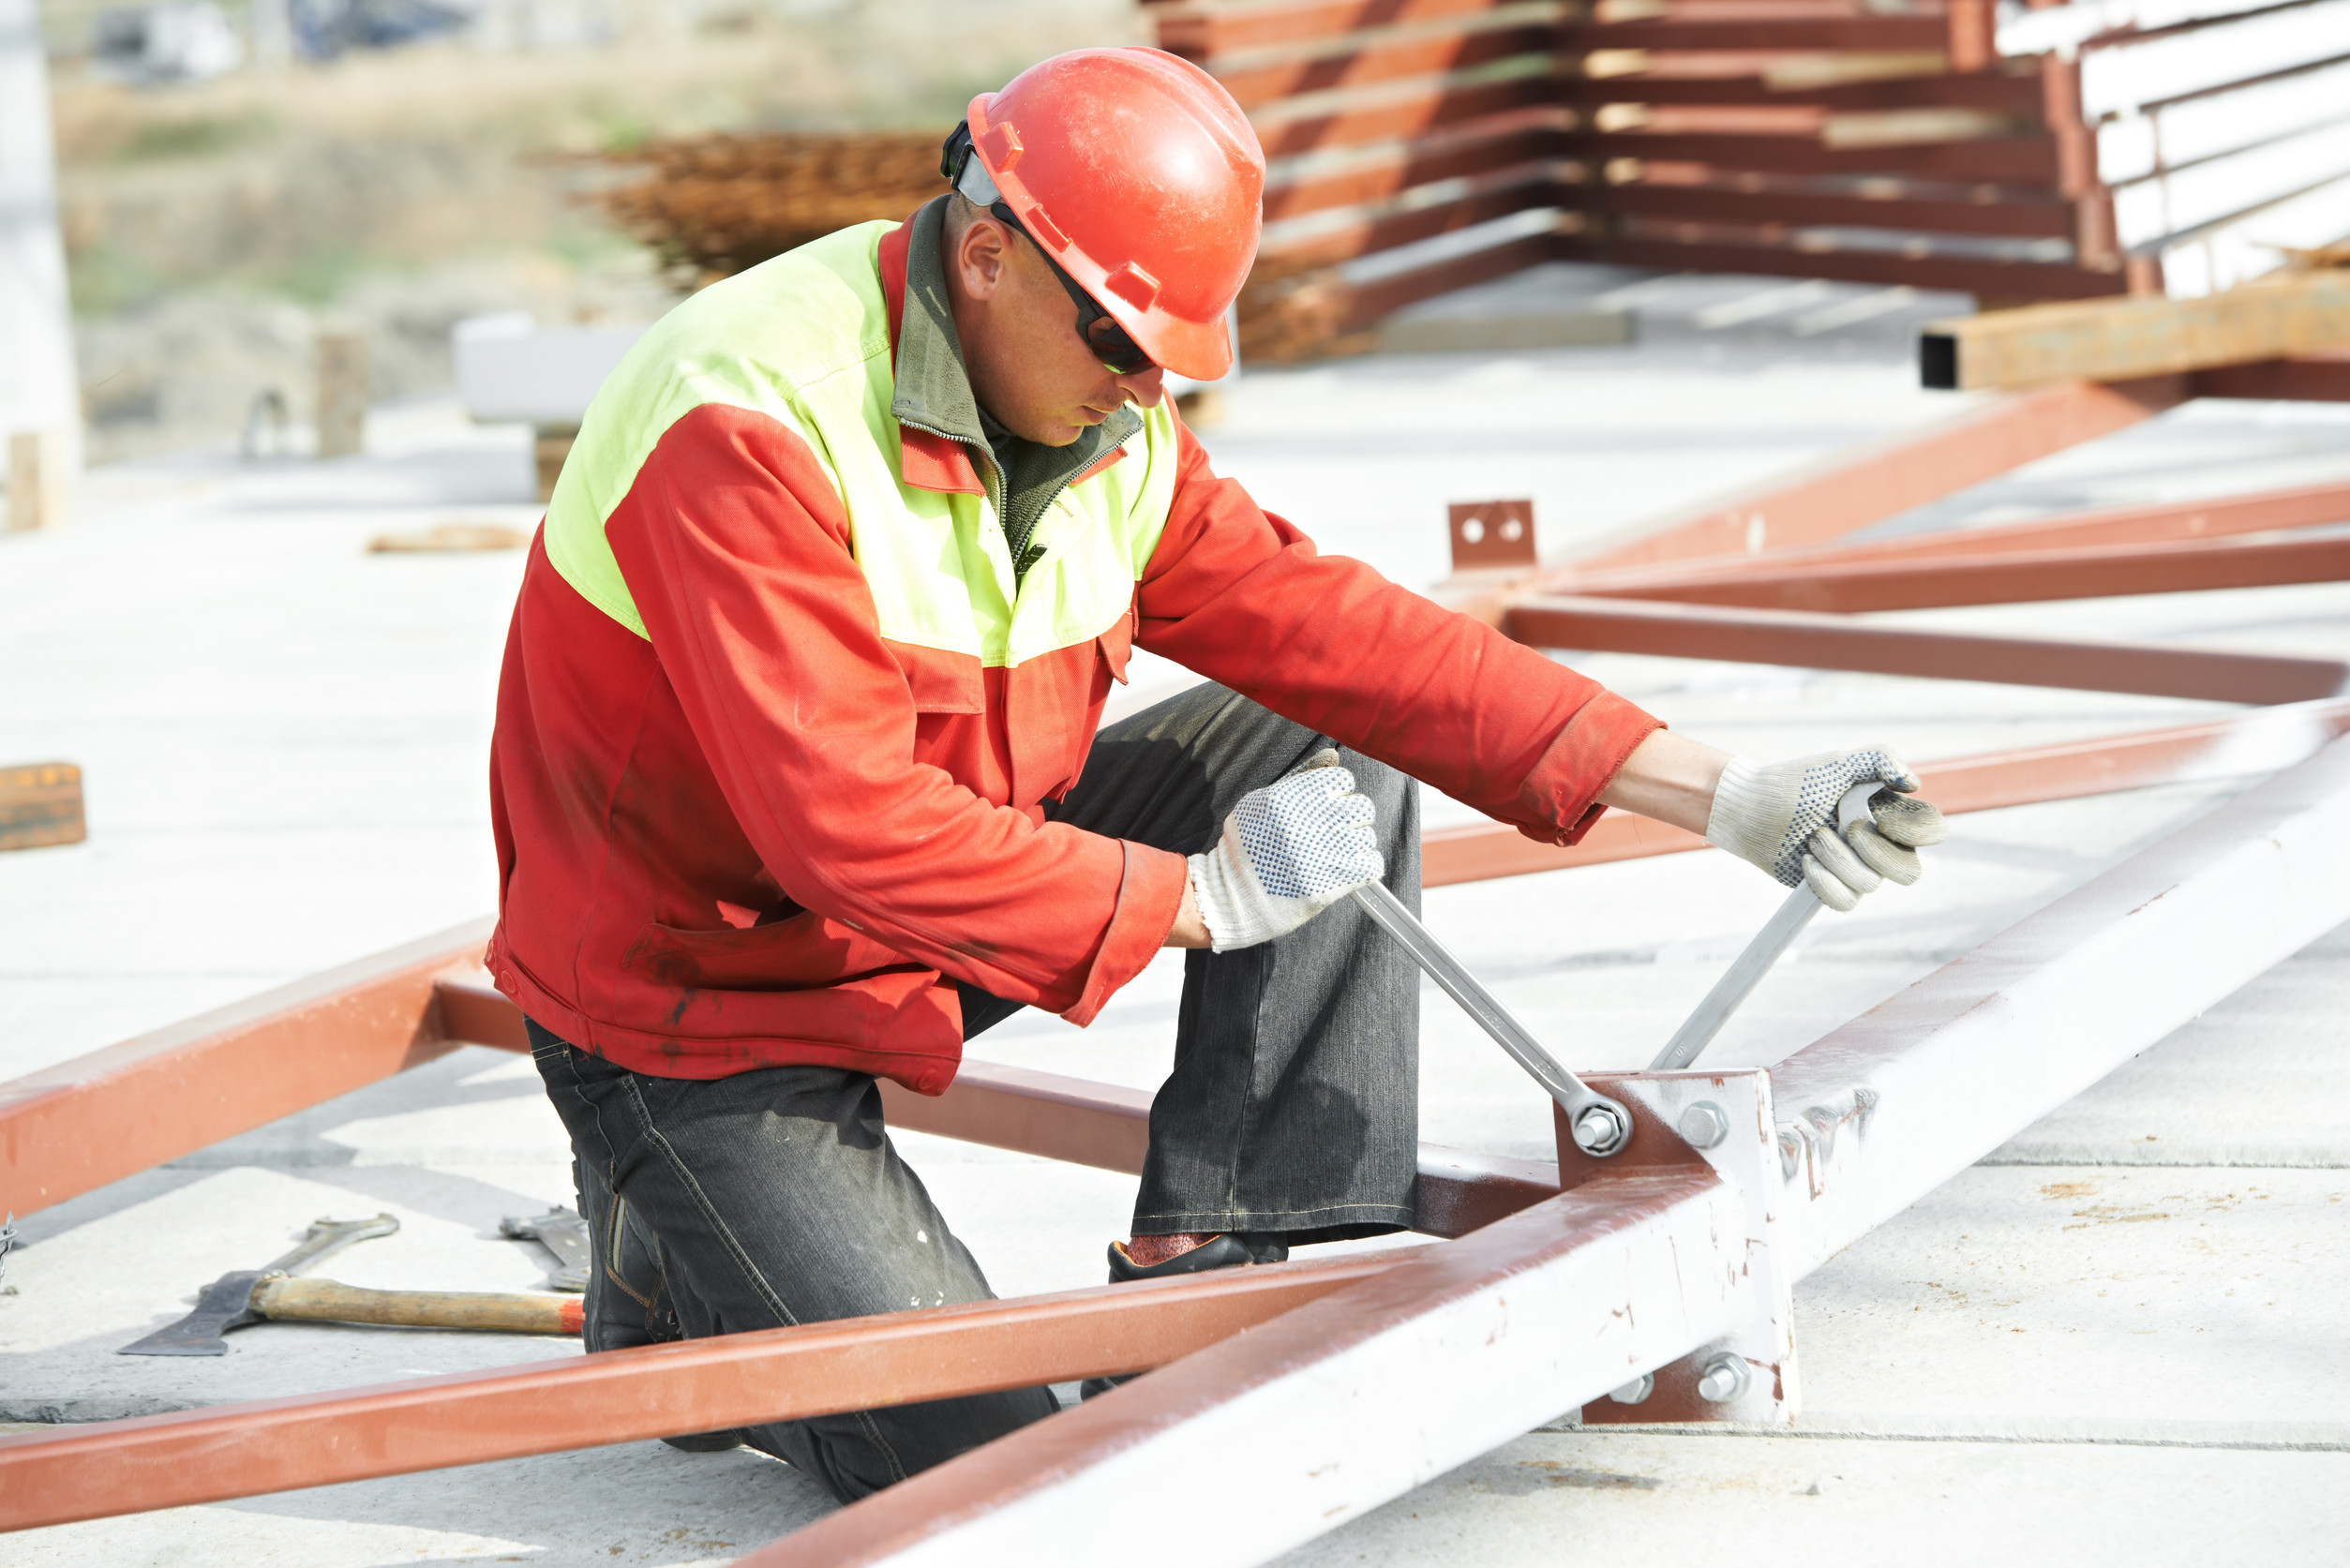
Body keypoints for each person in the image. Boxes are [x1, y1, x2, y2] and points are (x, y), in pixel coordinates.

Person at [485, 46, 1946, 1501]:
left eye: (1172, 364)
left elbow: (1346, 640)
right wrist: (1196, 897)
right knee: (999, 1482)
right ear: (987, 256)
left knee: (1329, 745)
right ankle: (670, 1232)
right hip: (692, 1001)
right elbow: (844, 827)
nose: (1142, 395)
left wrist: (1716, 787)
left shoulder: (1101, 418)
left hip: (931, 907)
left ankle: (1213, 1258)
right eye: (1123, 346)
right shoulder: (749, 413)